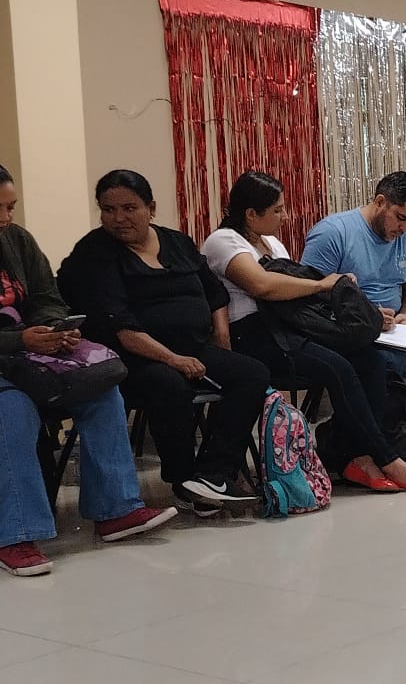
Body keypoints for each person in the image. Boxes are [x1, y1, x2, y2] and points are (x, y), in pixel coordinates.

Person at [201, 171, 406, 493]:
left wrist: (362, 310)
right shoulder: (223, 241)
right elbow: (262, 285)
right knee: (338, 368)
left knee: (369, 359)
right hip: (251, 334)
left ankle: (358, 455)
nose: (285, 216)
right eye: (277, 210)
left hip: (288, 327)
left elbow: (296, 294)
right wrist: (323, 284)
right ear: (251, 214)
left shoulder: (272, 244)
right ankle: (388, 459)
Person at [59, 170, 267, 515]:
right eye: (108, 210)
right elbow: (120, 326)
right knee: (169, 382)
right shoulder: (95, 253)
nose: (118, 218)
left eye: (129, 208)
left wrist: (222, 337)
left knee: (252, 373)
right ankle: (182, 480)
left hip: (193, 347)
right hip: (132, 357)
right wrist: (173, 359)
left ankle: (213, 475)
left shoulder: (177, 242)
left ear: (151, 208)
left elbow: (215, 294)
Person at [0, 166, 176, 574]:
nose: (6, 217)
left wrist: (55, 329)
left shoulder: (17, 240)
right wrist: (19, 341)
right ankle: (15, 534)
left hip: (31, 354)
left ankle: (115, 509)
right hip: (9, 361)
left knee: (99, 386)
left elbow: (46, 296)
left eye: (11, 207)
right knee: (12, 410)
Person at [301, 171, 406, 422]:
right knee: (390, 361)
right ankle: (379, 430)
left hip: (394, 326)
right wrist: (366, 316)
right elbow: (310, 297)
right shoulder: (333, 232)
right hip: (348, 326)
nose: (404, 228)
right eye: (400, 218)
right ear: (380, 202)